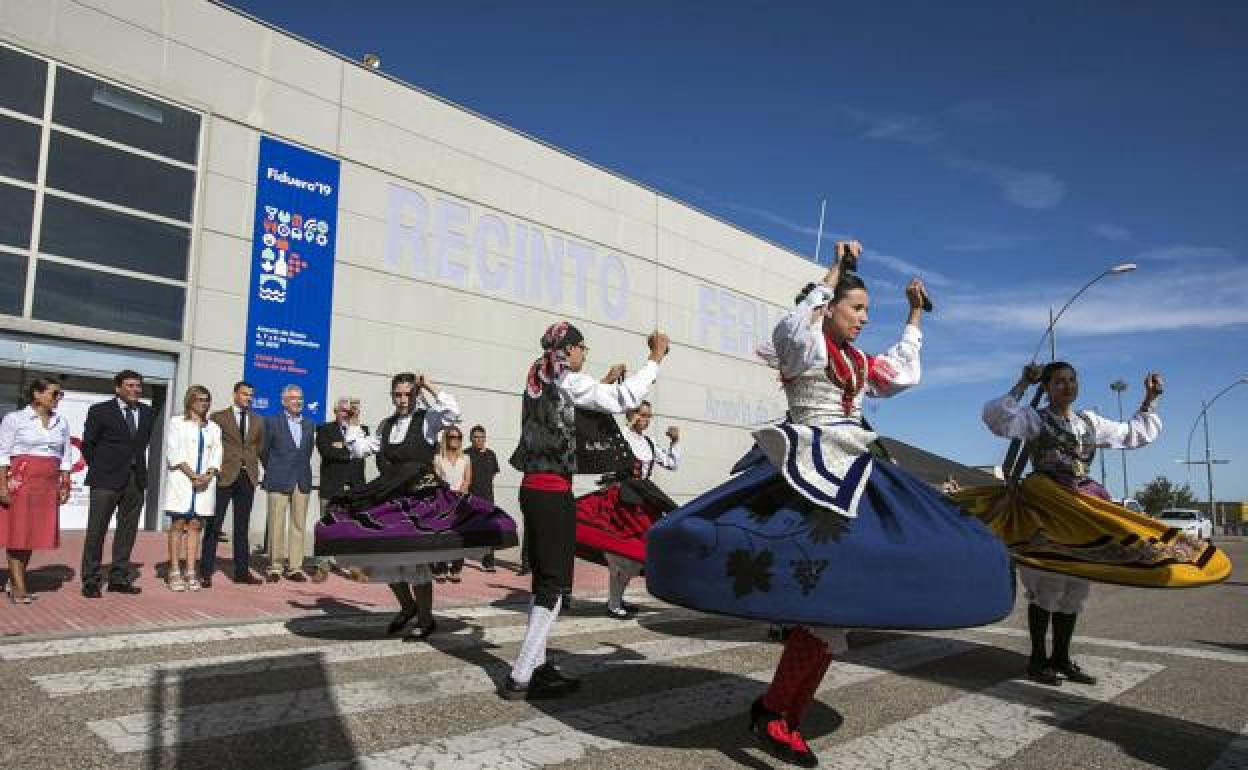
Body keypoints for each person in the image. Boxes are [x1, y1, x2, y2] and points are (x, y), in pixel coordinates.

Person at [645, 242, 1014, 767]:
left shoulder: (861, 363)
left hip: (854, 468)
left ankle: (777, 712)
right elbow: (794, 326)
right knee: (814, 598)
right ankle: (777, 713)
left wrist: (914, 314)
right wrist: (833, 271)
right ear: (830, 307)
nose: (864, 319)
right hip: (804, 469)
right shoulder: (806, 347)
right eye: (857, 308)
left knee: (831, 614)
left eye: (866, 310)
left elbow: (902, 372)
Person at [957, 362, 1231, 687]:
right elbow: (997, 420)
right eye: (1059, 381)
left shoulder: (1089, 422)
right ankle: (1037, 660)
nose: (1067, 387)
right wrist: (1021, 384)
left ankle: (1061, 658)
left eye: (1072, 381)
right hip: (1048, 506)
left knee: (1075, 585)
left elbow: (1132, 433)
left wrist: (1151, 398)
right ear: (1046, 387)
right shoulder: (1034, 419)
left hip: (1084, 504)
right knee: (1049, 582)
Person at [500, 322, 669, 701]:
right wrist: (655, 359)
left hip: (533, 488)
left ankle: (539, 667)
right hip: (552, 492)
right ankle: (521, 675)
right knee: (554, 585)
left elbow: (573, 412)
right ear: (570, 349)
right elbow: (625, 398)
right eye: (582, 349)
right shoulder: (568, 380)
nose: (584, 355)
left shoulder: (541, 374)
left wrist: (603, 382)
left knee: (544, 578)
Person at [324, 372, 464, 640]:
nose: (402, 400)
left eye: (408, 394)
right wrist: (353, 422)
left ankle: (425, 619)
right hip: (389, 497)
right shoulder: (385, 425)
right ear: (392, 396)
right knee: (385, 557)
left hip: (417, 500)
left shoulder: (428, 420)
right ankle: (408, 607)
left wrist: (430, 387)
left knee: (415, 563)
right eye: (398, 395)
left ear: (415, 394)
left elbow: (454, 413)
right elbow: (359, 450)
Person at [576, 400, 682, 619]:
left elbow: (672, 463)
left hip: (642, 503)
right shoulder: (621, 437)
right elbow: (613, 445)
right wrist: (628, 424)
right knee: (620, 554)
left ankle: (616, 600)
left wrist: (675, 441)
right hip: (621, 502)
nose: (645, 420)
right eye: (642, 415)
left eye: (648, 416)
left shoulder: (650, 442)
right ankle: (613, 604)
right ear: (631, 415)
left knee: (633, 555)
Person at [80, 369, 155, 597]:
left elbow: (142, 444)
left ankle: (119, 578)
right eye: (130, 386)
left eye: (138, 386)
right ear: (118, 388)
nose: (135, 390)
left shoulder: (148, 412)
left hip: (135, 479)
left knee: (127, 532)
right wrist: (102, 467)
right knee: (97, 530)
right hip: (106, 479)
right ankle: (91, 580)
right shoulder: (100, 411)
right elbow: (88, 445)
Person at [0, 378, 72, 604]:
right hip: (22, 480)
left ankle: (15, 579)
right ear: (37, 395)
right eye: (54, 394)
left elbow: (66, 455)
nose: (58, 398)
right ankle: (19, 587)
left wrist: (65, 483)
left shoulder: (61, 421)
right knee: (17, 533)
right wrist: (2, 485)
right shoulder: (15, 419)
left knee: (31, 535)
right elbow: (2, 454)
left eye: (60, 394)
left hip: (47, 482)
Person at [203, 381, 265, 586]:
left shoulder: (258, 420)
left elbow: (259, 448)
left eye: (251, 395)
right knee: (214, 525)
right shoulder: (219, 418)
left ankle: (241, 572)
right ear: (235, 394)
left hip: (247, 478)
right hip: (224, 476)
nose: (248, 397)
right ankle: (205, 571)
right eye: (245, 394)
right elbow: (211, 446)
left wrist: (262, 473)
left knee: (242, 527)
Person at [161, 385, 222, 592]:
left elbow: (216, 455)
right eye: (199, 399)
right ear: (190, 401)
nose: (204, 404)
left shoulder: (213, 427)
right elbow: (174, 452)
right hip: (182, 480)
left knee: (196, 525)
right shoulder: (177, 423)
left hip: (204, 483)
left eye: (207, 400)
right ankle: (174, 570)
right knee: (178, 523)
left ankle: (190, 570)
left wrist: (208, 475)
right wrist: (193, 475)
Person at [260, 384, 316, 582]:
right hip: (278, 478)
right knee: (276, 523)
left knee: (298, 525)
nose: (297, 401)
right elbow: (264, 451)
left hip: (301, 480)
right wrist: (275, 469)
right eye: (293, 398)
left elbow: (307, 452)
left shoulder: (309, 424)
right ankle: (275, 566)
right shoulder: (272, 422)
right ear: (284, 401)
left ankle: (294, 567)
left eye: (300, 398)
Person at [314, 397, 369, 581]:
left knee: (354, 527)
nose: (346, 414)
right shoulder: (324, 429)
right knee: (326, 526)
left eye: (349, 412)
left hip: (355, 487)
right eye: (343, 411)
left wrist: (342, 446)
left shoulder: (363, 431)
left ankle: (353, 566)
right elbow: (327, 452)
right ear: (335, 411)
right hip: (332, 486)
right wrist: (349, 449)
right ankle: (322, 565)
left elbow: (361, 454)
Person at [431, 426, 471, 583]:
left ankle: (456, 569)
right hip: (443, 500)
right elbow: (436, 480)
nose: (455, 440)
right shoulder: (437, 459)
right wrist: (446, 495)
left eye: (459, 437)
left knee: (460, 536)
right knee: (443, 535)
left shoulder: (466, 458)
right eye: (452, 437)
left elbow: (467, 479)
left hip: (460, 501)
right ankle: (440, 568)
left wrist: (461, 492)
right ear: (446, 438)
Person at [465, 425, 501, 572]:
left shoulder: (491, 455)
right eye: (476, 437)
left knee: (489, 530)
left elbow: (492, 475)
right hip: (470, 499)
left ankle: (488, 562)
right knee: (465, 530)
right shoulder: (465, 454)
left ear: (485, 438)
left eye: (481, 437)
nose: (479, 440)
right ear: (471, 438)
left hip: (487, 499)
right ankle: (457, 563)